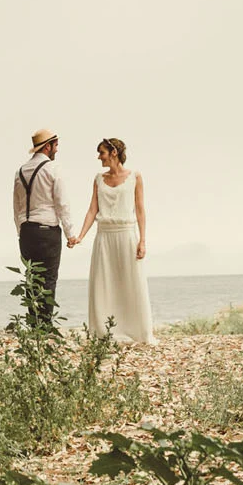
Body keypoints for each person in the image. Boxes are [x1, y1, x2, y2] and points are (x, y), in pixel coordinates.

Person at [70, 137, 154, 344]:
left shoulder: (135, 176)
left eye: (102, 153)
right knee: (104, 281)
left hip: (126, 233)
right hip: (104, 235)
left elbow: (141, 210)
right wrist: (80, 235)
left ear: (114, 153)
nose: (99, 157)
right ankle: (105, 331)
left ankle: (137, 330)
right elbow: (92, 209)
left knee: (130, 281)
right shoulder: (99, 178)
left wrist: (142, 240)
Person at [13, 128, 76, 331]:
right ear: (48, 146)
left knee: (32, 278)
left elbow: (16, 206)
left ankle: (34, 324)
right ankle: (45, 326)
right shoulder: (53, 169)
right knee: (48, 278)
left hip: (26, 231)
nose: (57, 149)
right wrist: (70, 233)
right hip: (47, 230)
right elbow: (62, 204)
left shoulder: (20, 171)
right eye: (55, 145)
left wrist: (20, 231)